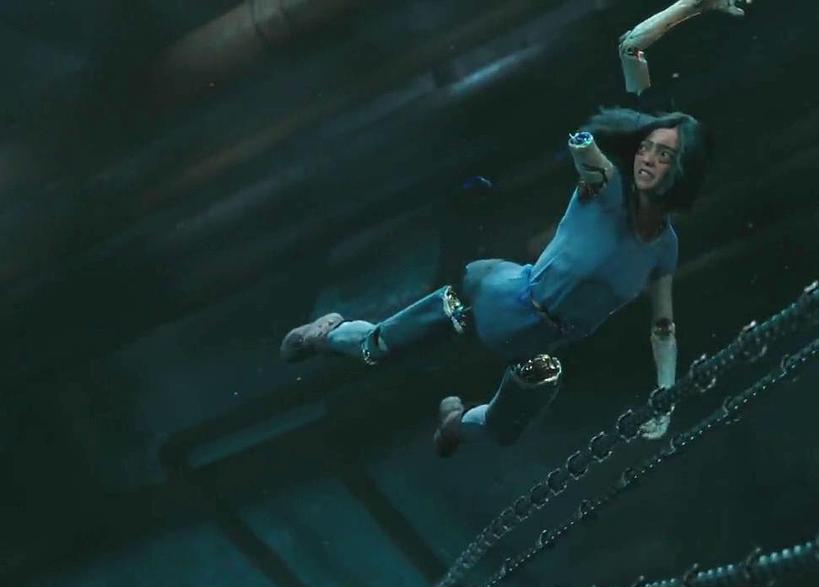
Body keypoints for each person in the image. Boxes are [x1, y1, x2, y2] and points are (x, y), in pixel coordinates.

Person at [280, 0, 749, 457]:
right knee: (377, 347)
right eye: (646, 148)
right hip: (502, 300)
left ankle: (454, 424)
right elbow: (631, 48)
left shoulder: (664, 248)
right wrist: (693, 5)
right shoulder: (606, 188)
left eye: (664, 155)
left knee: (503, 430)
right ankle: (326, 334)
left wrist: (665, 401)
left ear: (682, 171)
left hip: (541, 346)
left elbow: (664, 328)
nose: (648, 158)